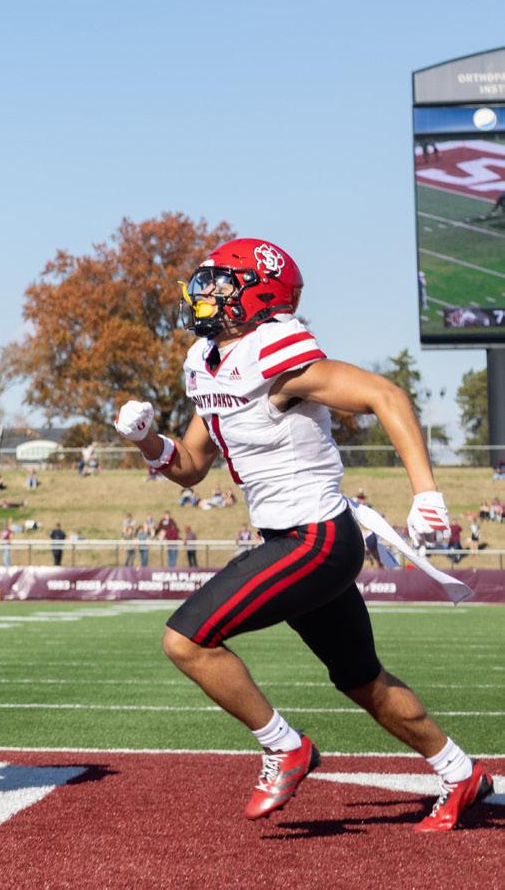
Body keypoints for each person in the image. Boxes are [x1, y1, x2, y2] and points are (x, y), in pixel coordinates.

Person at [114, 236, 491, 831]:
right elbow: (190, 464)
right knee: (362, 680)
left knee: (186, 640)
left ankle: (284, 746)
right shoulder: (206, 360)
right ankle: (459, 771)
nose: (203, 294)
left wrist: (426, 492)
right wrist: (146, 440)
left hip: (316, 538)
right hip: (293, 540)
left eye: (219, 284)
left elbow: (385, 395)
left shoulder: (273, 349)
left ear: (258, 294)